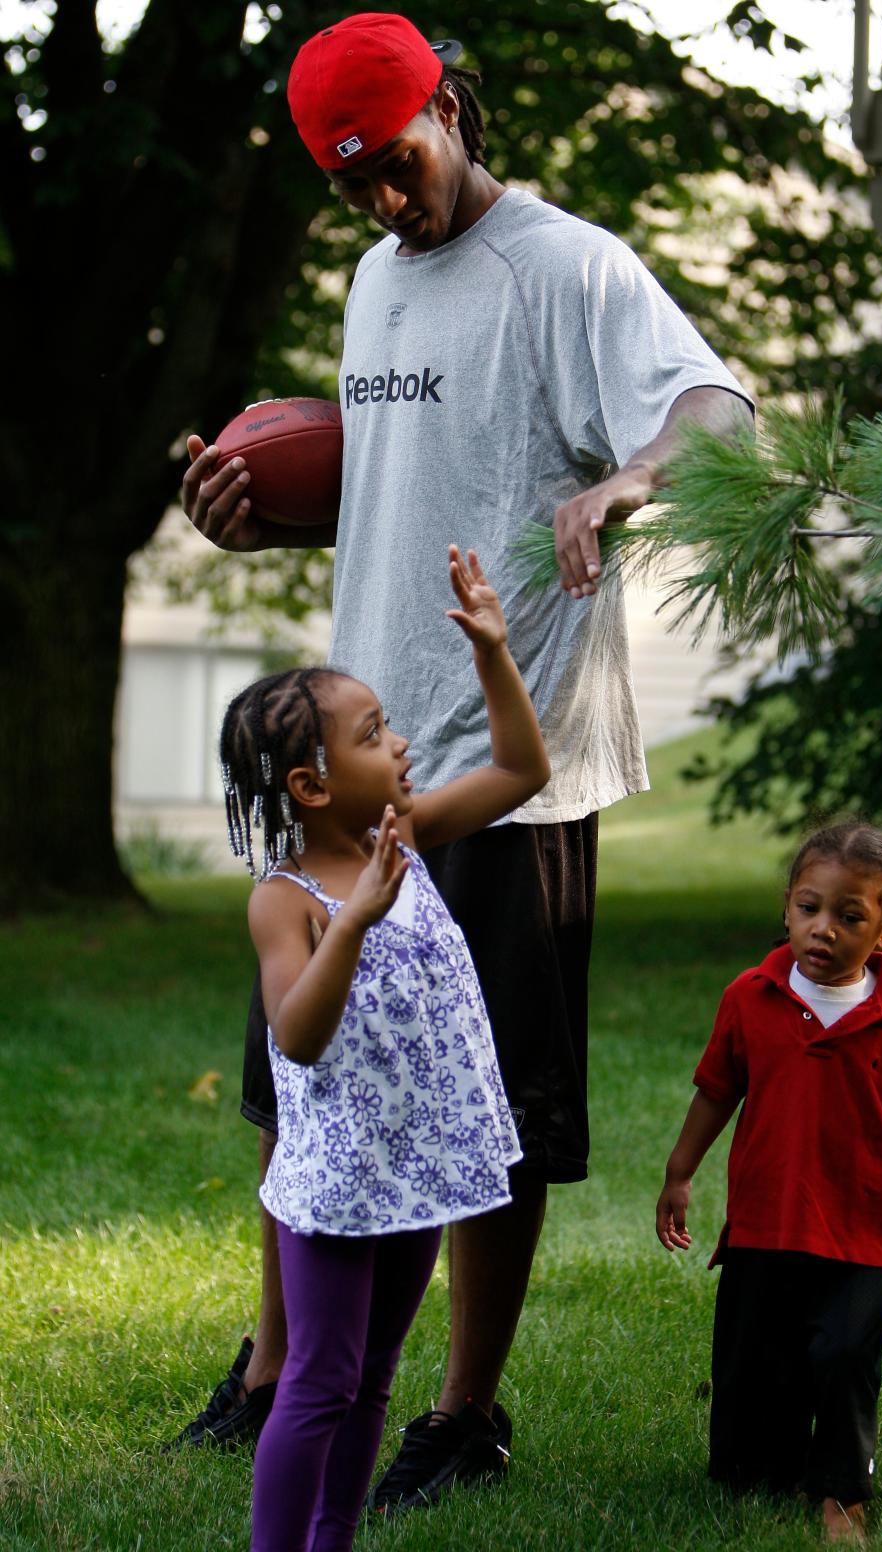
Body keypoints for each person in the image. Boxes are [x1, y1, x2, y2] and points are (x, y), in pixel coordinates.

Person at [174, 9, 754, 1504]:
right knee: (299, 1084)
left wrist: (628, 475)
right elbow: (406, 487)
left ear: (450, 106)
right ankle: (269, 1371)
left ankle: (462, 1413)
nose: (383, 200)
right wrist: (262, 507)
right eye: (351, 181)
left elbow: (715, 410)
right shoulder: (376, 280)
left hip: (510, 767)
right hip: (348, 757)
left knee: (485, 1115)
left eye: (398, 163)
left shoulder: (568, 266)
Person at [222, 546, 548, 1551]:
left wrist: (496, 652)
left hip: (413, 1166)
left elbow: (521, 770)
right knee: (319, 1380)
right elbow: (300, 1035)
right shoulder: (288, 899)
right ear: (314, 785)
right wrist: (354, 921)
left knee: (371, 1379)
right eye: (376, 734)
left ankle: (332, 1542)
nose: (402, 744)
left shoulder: (399, 835)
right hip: (336, 1181)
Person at [656, 821, 882, 1546]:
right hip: (766, 1223)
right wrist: (679, 1174)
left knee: (845, 1358)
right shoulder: (750, 996)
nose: (824, 929)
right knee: (755, 1367)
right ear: (787, 907)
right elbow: (716, 1092)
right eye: (809, 908)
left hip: (859, 1234)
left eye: (849, 917)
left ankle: (842, 1492)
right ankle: (768, 1465)